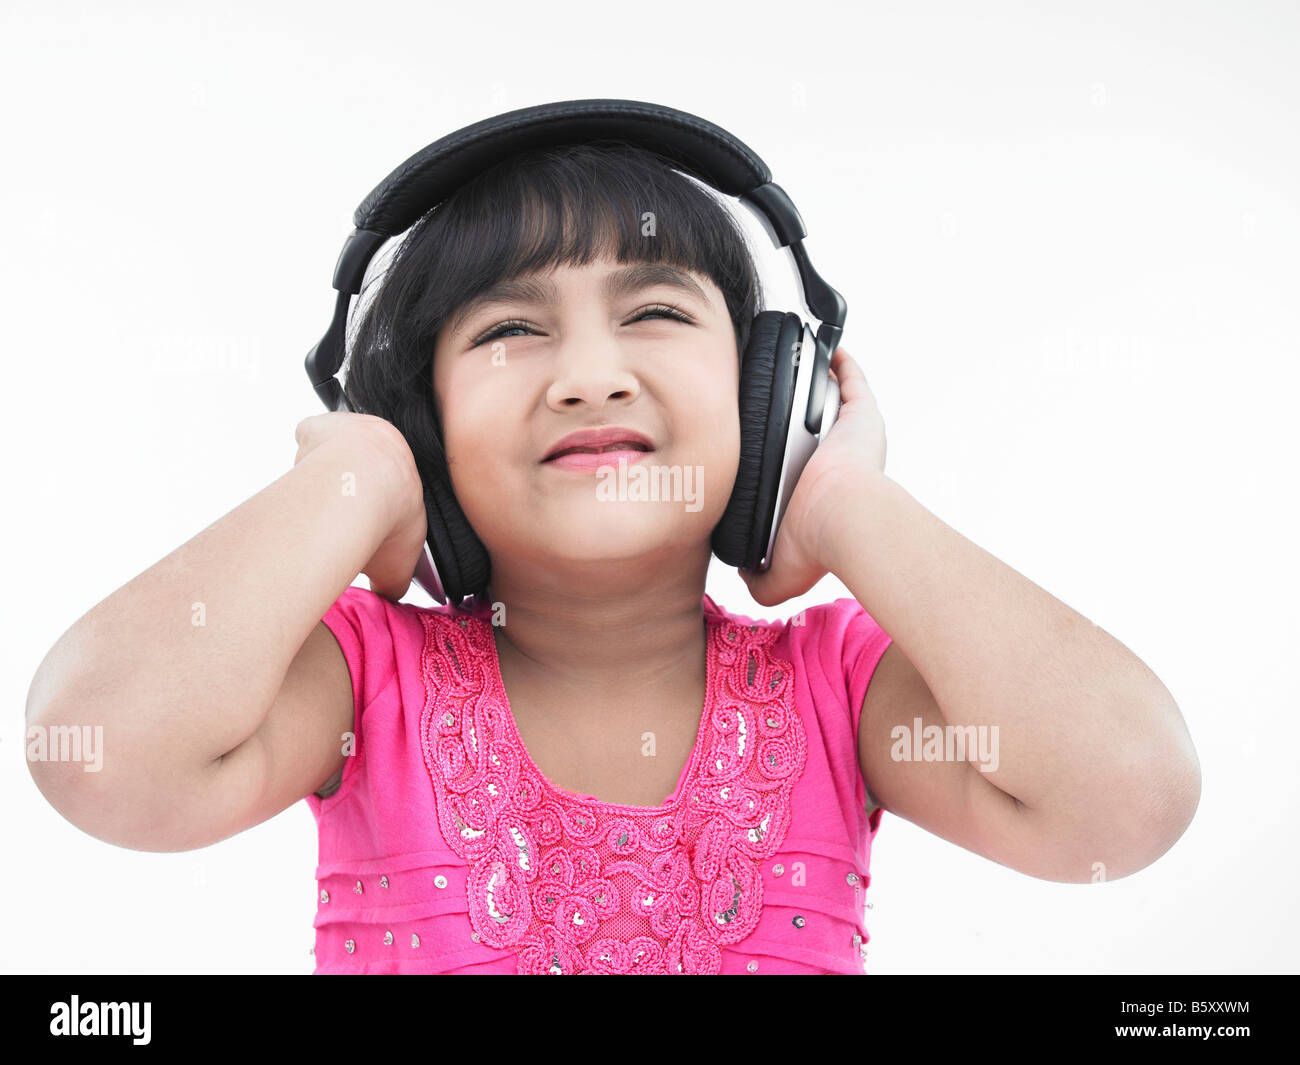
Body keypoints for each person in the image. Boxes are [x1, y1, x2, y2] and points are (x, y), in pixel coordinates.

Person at [26, 141, 1200, 975]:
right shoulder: (359, 682)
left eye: (654, 314)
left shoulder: (840, 694)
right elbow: (106, 761)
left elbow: (1126, 799)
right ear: (423, 426)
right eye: (510, 330)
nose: (589, 374)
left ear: (769, 394)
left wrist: (846, 503)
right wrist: (357, 479)